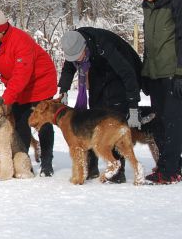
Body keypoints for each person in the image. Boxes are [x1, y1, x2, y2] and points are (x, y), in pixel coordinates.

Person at [57, 27, 146, 183]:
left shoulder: (103, 45)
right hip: (98, 72)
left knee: (112, 120)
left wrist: (133, 106)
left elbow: (128, 73)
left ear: (85, 46)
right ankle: (91, 168)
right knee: (94, 117)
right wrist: (63, 90)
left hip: (120, 76)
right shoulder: (73, 43)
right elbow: (69, 68)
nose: (77, 60)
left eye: (79, 56)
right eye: (73, 58)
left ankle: (118, 171)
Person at [0, 9, 56, 175]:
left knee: (43, 122)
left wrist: (4, 102)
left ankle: (47, 162)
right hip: (18, 87)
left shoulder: (20, 40)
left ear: (2, 29)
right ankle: (23, 162)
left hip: (40, 83)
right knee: (20, 123)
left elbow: (22, 74)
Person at [130, 0, 182, 183]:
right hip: (156, 73)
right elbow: (150, 43)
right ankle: (171, 165)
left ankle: (169, 171)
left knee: (172, 122)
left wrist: (180, 73)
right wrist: (146, 72)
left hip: (173, 71)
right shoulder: (148, 5)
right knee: (159, 122)